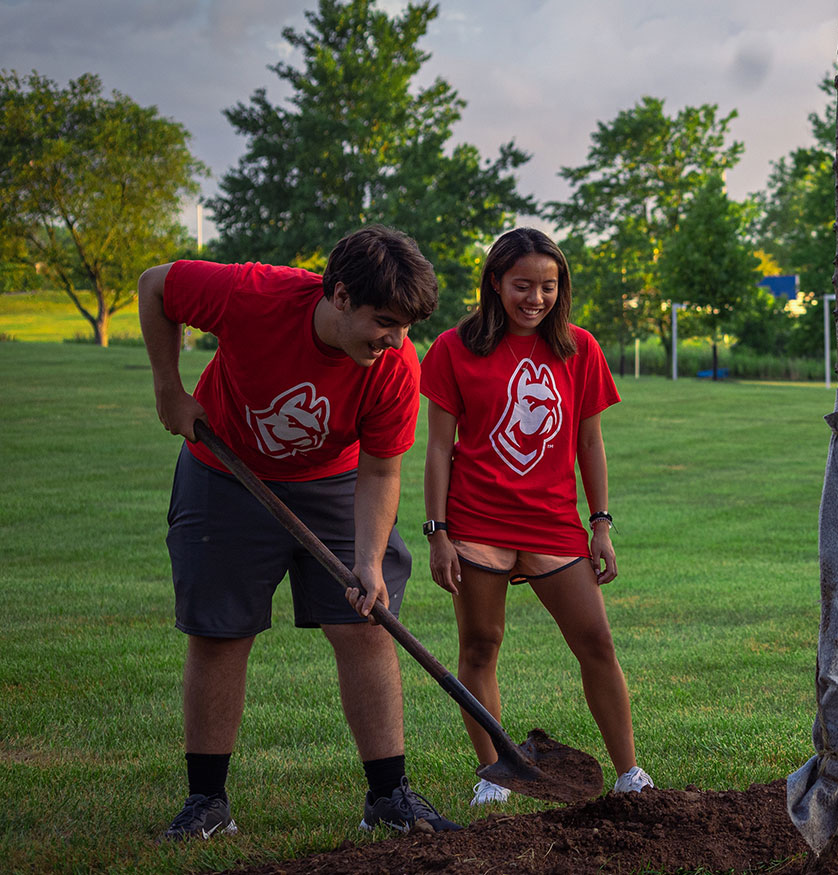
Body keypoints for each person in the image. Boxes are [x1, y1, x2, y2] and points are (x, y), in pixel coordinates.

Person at [138, 226, 460, 840]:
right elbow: (154, 286)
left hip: (336, 482)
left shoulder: (396, 366)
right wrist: (168, 390)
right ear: (338, 295)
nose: (395, 341)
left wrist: (368, 561)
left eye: (406, 327)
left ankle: (389, 797)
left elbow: (382, 467)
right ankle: (207, 803)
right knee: (219, 633)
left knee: (367, 625)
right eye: (384, 321)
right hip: (225, 471)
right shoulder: (250, 295)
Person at [419, 228, 651, 806]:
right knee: (479, 647)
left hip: (552, 525)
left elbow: (590, 444)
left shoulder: (579, 348)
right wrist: (438, 534)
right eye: (523, 285)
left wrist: (600, 523)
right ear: (495, 282)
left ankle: (630, 775)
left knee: (596, 641)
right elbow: (437, 449)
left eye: (549, 286)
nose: (536, 298)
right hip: (475, 524)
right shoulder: (453, 347)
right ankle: (495, 772)